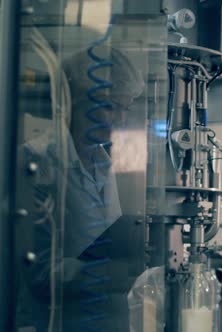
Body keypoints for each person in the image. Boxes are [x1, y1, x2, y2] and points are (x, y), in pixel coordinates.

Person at [17, 46, 144, 331]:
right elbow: (38, 273)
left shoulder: (104, 163)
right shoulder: (35, 162)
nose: (121, 121)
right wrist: (116, 272)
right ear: (77, 99)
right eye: (111, 106)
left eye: (125, 108)